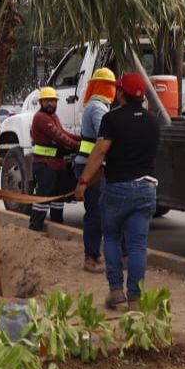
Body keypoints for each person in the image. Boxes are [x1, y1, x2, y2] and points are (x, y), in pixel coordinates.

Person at [75, 73, 162, 311]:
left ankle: (116, 292)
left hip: (117, 189)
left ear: (121, 93)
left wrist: (84, 181)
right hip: (146, 189)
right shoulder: (153, 122)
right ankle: (135, 298)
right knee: (137, 246)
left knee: (111, 237)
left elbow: (101, 152)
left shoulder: (112, 119)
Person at [74, 68, 117, 272]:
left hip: (89, 165)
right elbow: (105, 139)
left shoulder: (94, 105)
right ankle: (91, 257)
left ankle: (94, 255)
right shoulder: (99, 108)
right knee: (95, 213)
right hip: (93, 168)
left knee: (97, 212)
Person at [28, 86, 80, 231]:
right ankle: (35, 227)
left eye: (53, 100)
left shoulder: (53, 117)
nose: (51, 103)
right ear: (41, 102)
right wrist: (78, 146)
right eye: (47, 101)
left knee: (58, 197)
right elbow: (60, 136)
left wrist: (84, 138)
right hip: (45, 164)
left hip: (57, 164)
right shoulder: (41, 118)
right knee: (43, 197)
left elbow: (64, 132)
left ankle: (57, 226)